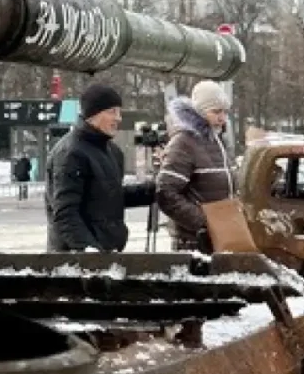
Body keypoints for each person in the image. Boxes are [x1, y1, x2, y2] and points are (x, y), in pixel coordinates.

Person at [46, 82, 154, 252]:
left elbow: (108, 197)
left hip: (108, 254)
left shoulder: (112, 151)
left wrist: (153, 190)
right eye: (112, 112)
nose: (118, 118)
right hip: (77, 262)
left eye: (119, 112)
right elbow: (66, 214)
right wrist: (91, 253)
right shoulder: (70, 153)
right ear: (92, 115)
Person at [157, 80, 235, 252]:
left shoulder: (217, 142)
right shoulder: (184, 143)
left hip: (220, 236)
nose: (222, 118)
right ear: (199, 112)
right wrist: (204, 222)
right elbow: (166, 193)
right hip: (193, 242)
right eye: (216, 112)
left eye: (225, 112)